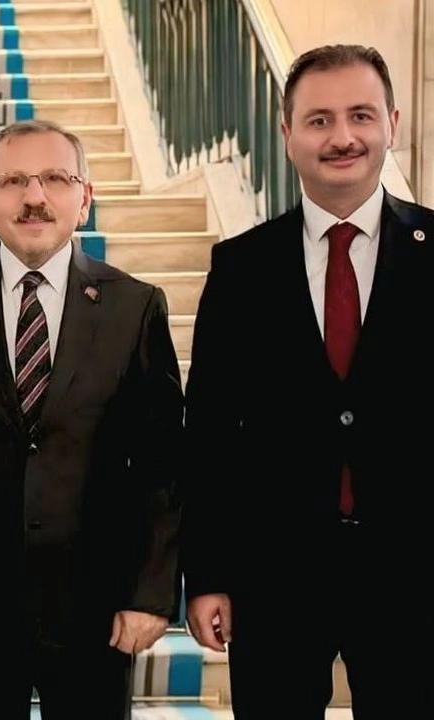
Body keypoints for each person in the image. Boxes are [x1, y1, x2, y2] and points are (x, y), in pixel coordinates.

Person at [0, 119, 185, 719]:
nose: (34, 197)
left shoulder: (135, 307)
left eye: (55, 178)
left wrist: (150, 594)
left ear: (85, 198)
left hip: (97, 612)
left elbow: (164, 465)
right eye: (13, 181)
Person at [183, 44, 432, 717]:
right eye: (319, 120)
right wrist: (206, 576)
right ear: (287, 133)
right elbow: (208, 433)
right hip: (275, 578)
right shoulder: (240, 268)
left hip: (416, 575)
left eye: (361, 115)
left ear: (392, 124)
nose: (342, 137)